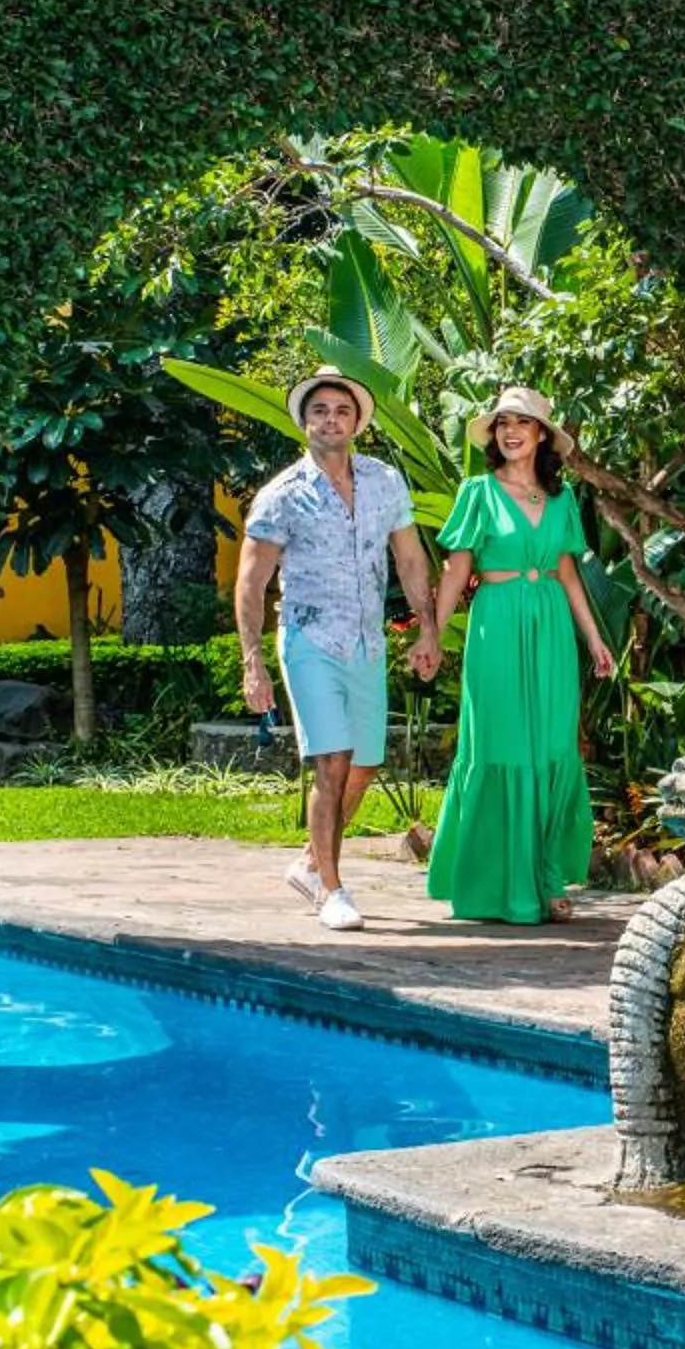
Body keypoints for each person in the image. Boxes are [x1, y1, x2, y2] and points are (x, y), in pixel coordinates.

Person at [237, 369, 435, 932]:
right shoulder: (282, 496)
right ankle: (331, 888)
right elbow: (251, 583)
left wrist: (426, 629)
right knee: (333, 760)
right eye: (319, 410)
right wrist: (253, 662)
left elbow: (411, 560)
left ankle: (307, 861)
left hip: (367, 641)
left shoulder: (385, 482)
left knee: (366, 762)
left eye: (341, 411)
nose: (331, 419)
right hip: (309, 640)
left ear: (356, 423)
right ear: (305, 422)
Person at [414, 387, 615, 923]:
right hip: (497, 625)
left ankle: (546, 880)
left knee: (551, 749)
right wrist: (431, 633)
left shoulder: (563, 498)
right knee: (501, 747)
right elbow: (457, 570)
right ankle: (493, 886)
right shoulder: (477, 492)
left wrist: (593, 638)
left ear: (542, 434)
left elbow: (569, 574)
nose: (511, 431)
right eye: (503, 422)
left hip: (550, 625)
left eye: (523, 423)